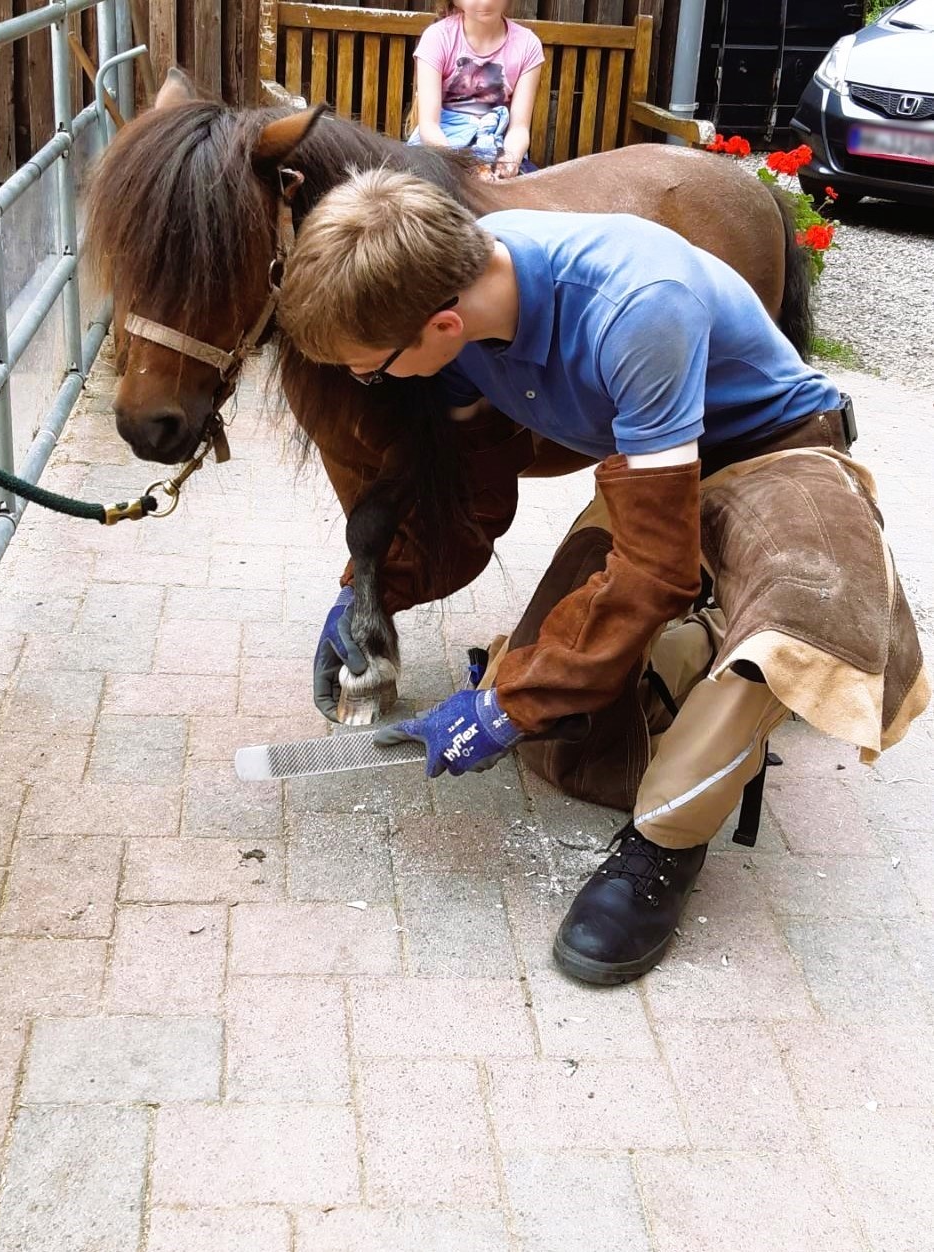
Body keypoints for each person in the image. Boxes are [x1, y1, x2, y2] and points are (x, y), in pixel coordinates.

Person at [277, 168, 930, 987]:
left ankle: (663, 847)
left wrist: (504, 703)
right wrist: (372, 588)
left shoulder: (635, 304)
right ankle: (691, 649)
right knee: (561, 722)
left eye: (372, 370)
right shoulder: (458, 337)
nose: (376, 385)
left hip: (775, 455)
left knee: (799, 629)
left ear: (440, 324)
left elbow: (653, 568)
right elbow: (473, 501)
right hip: (650, 476)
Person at [406, 0, 544, 177]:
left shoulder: (527, 44)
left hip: (496, 148)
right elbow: (429, 126)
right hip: (440, 150)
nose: (485, 2)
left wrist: (509, 161)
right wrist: (461, 167)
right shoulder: (437, 37)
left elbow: (519, 128)